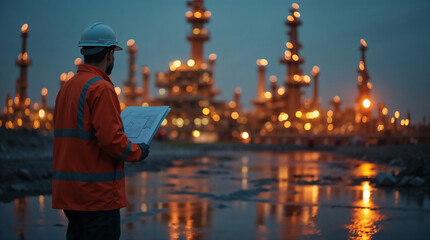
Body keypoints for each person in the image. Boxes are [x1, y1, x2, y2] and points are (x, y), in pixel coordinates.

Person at [52, 22, 150, 240]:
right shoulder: (101, 88)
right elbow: (112, 140)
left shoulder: (67, 87)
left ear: (85, 52)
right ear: (109, 54)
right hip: (97, 196)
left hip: (69, 193)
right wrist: (139, 151)